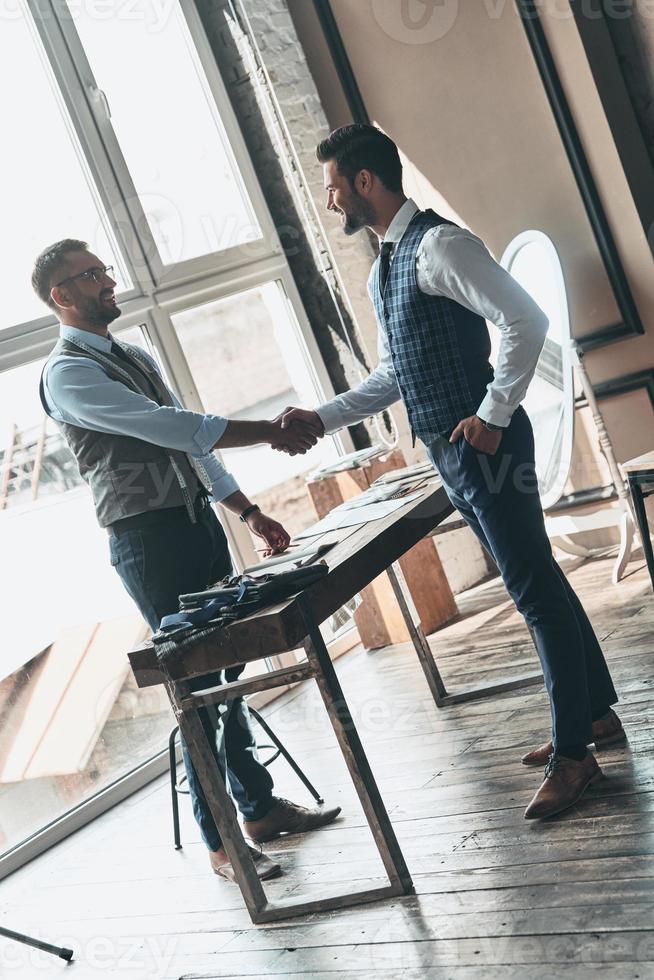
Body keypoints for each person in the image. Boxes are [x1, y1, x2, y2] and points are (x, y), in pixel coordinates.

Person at [280, 124, 624, 820]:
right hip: (450, 454)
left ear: (365, 182)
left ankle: (574, 760)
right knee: (541, 580)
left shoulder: (440, 244)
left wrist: (494, 416)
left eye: (333, 186)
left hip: (486, 449)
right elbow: (393, 374)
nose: (329, 200)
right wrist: (323, 416)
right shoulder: (385, 265)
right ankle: (592, 718)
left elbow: (525, 319)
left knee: (533, 594)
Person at [33, 239, 341, 881]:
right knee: (197, 688)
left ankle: (255, 808)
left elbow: (194, 450)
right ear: (60, 296)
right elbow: (171, 427)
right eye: (90, 276)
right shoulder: (68, 374)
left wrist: (249, 513)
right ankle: (223, 843)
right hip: (149, 543)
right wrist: (267, 431)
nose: (106, 281)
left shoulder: (134, 356)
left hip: (196, 526)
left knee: (228, 678)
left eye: (103, 270)